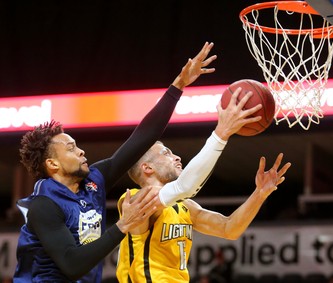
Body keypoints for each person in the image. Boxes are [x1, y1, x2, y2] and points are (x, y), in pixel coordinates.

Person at [13, 42, 217, 283]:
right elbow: (71, 263)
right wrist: (122, 225)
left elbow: (143, 138)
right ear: (53, 164)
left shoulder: (93, 181)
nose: (81, 151)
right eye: (70, 148)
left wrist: (178, 85)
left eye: (77, 145)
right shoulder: (44, 205)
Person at [115, 87, 292, 282]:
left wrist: (259, 194)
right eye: (166, 153)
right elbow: (185, 187)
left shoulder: (185, 207)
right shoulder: (133, 201)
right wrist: (221, 133)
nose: (176, 157)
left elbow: (229, 229)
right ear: (147, 168)